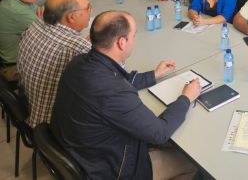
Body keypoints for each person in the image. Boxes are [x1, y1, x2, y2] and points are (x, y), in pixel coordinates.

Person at [50, 11, 201, 179]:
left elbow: (117, 79)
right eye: (134, 36)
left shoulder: (79, 62)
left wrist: (154, 75)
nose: (135, 40)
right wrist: (186, 97)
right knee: (191, 163)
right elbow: (160, 133)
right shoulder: (113, 92)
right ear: (122, 42)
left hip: (83, 153)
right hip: (110, 170)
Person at [17, 0, 92, 127]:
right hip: (51, 124)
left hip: (28, 102)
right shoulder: (78, 47)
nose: (90, 11)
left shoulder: (36, 25)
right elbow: (115, 79)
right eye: (88, 8)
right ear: (71, 17)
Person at [0, 0, 42, 81]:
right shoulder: (15, 10)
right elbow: (51, 31)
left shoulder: (23, 1)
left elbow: (44, 15)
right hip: (14, 68)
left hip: (27, 58)